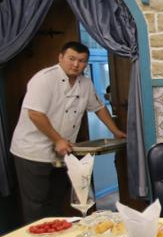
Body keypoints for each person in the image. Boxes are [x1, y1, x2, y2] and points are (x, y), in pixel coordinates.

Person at [10, 41, 126, 224]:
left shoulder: (85, 83)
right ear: (61, 58)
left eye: (81, 61)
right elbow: (35, 114)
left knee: (57, 202)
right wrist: (58, 140)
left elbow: (99, 108)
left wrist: (116, 131)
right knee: (36, 205)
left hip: (62, 153)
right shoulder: (44, 79)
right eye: (71, 59)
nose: (76, 64)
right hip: (32, 151)